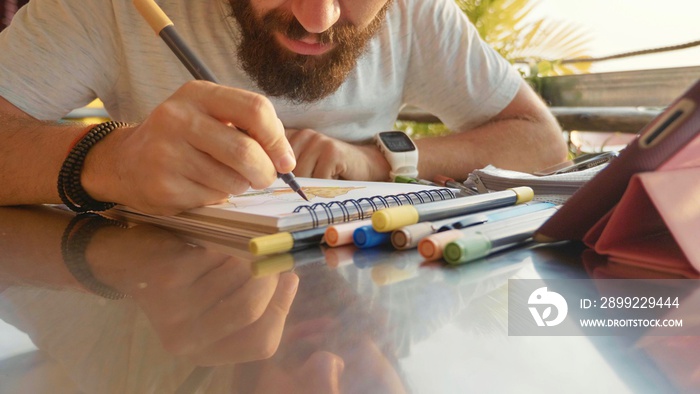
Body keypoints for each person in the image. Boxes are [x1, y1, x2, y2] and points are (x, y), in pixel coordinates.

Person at [0, 0, 567, 216]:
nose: (318, 18)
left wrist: (375, 160)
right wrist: (109, 160)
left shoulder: (418, 12)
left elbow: (541, 141)